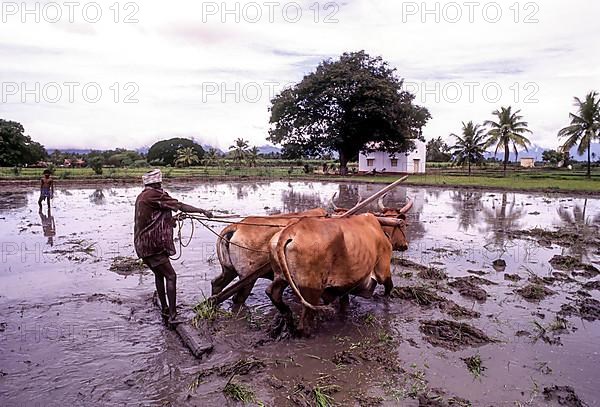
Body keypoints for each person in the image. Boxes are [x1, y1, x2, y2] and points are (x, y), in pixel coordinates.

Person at [134, 169, 213, 325]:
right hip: (153, 246)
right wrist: (202, 211)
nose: (161, 185)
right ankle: (173, 315)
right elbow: (180, 204)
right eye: (160, 183)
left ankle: (164, 308)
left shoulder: (143, 196)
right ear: (157, 183)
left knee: (159, 275)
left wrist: (173, 219)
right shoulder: (155, 195)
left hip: (143, 244)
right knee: (171, 276)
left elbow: (154, 219)